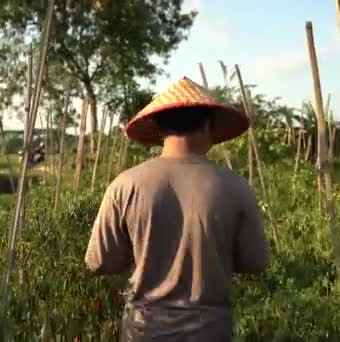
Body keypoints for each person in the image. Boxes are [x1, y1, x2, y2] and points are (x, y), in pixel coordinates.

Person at [85, 77, 269, 341]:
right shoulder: (235, 187)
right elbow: (255, 262)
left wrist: (144, 250)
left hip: (143, 329)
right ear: (208, 126)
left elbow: (99, 262)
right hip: (210, 331)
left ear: (160, 128)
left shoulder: (125, 185)